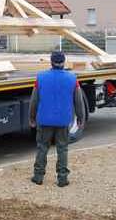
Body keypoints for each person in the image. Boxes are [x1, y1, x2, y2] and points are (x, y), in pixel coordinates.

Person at [29, 51, 85, 187]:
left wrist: (32, 117)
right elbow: (78, 101)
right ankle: (62, 178)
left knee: (42, 147)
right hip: (63, 120)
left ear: (51, 62)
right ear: (64, 62)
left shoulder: (40, 77)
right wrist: (81, 117)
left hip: (44, 119)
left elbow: (34, 100)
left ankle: (38, 176)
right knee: (62, 148)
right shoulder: (72, 78)